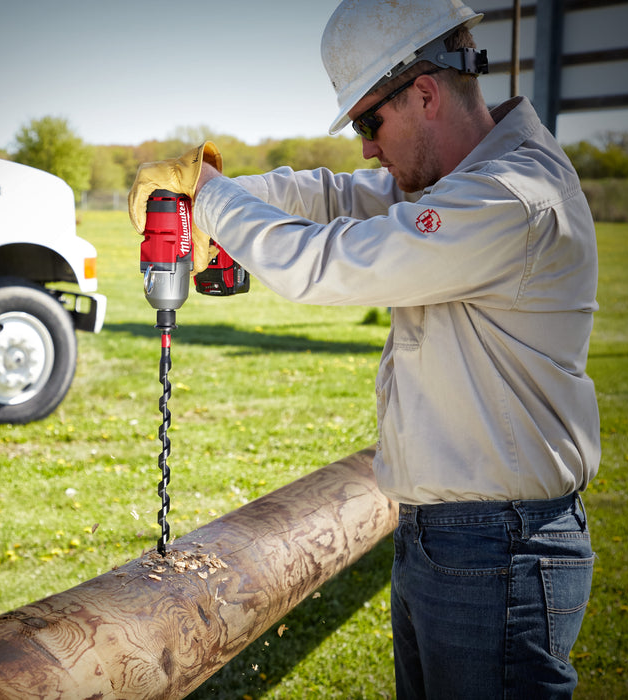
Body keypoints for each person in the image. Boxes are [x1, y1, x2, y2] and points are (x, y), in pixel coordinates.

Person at [128, 0, 601, 696]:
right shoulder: (459, 182)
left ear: (426, 93)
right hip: (447, 538)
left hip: (498, 547)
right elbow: (337, 196)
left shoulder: (510, 196)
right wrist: (209, 196)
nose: (366, 147)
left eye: (368, 123)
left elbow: (332, 261)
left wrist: (213, 196)